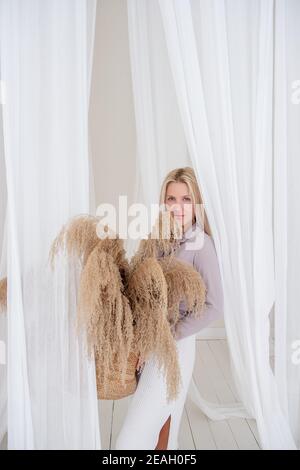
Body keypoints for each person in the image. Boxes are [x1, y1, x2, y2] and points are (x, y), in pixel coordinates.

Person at [115, 167, 224, 450]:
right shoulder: (157, 239)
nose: (177, 207)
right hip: (149, 345)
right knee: (163, 436)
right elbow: (142, 289)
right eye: (171, 199)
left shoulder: (202, 246)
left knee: (132, 439)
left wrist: (165, 337)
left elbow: (214, 306)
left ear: (197, 204)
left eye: (186, 199)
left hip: (176, 347)